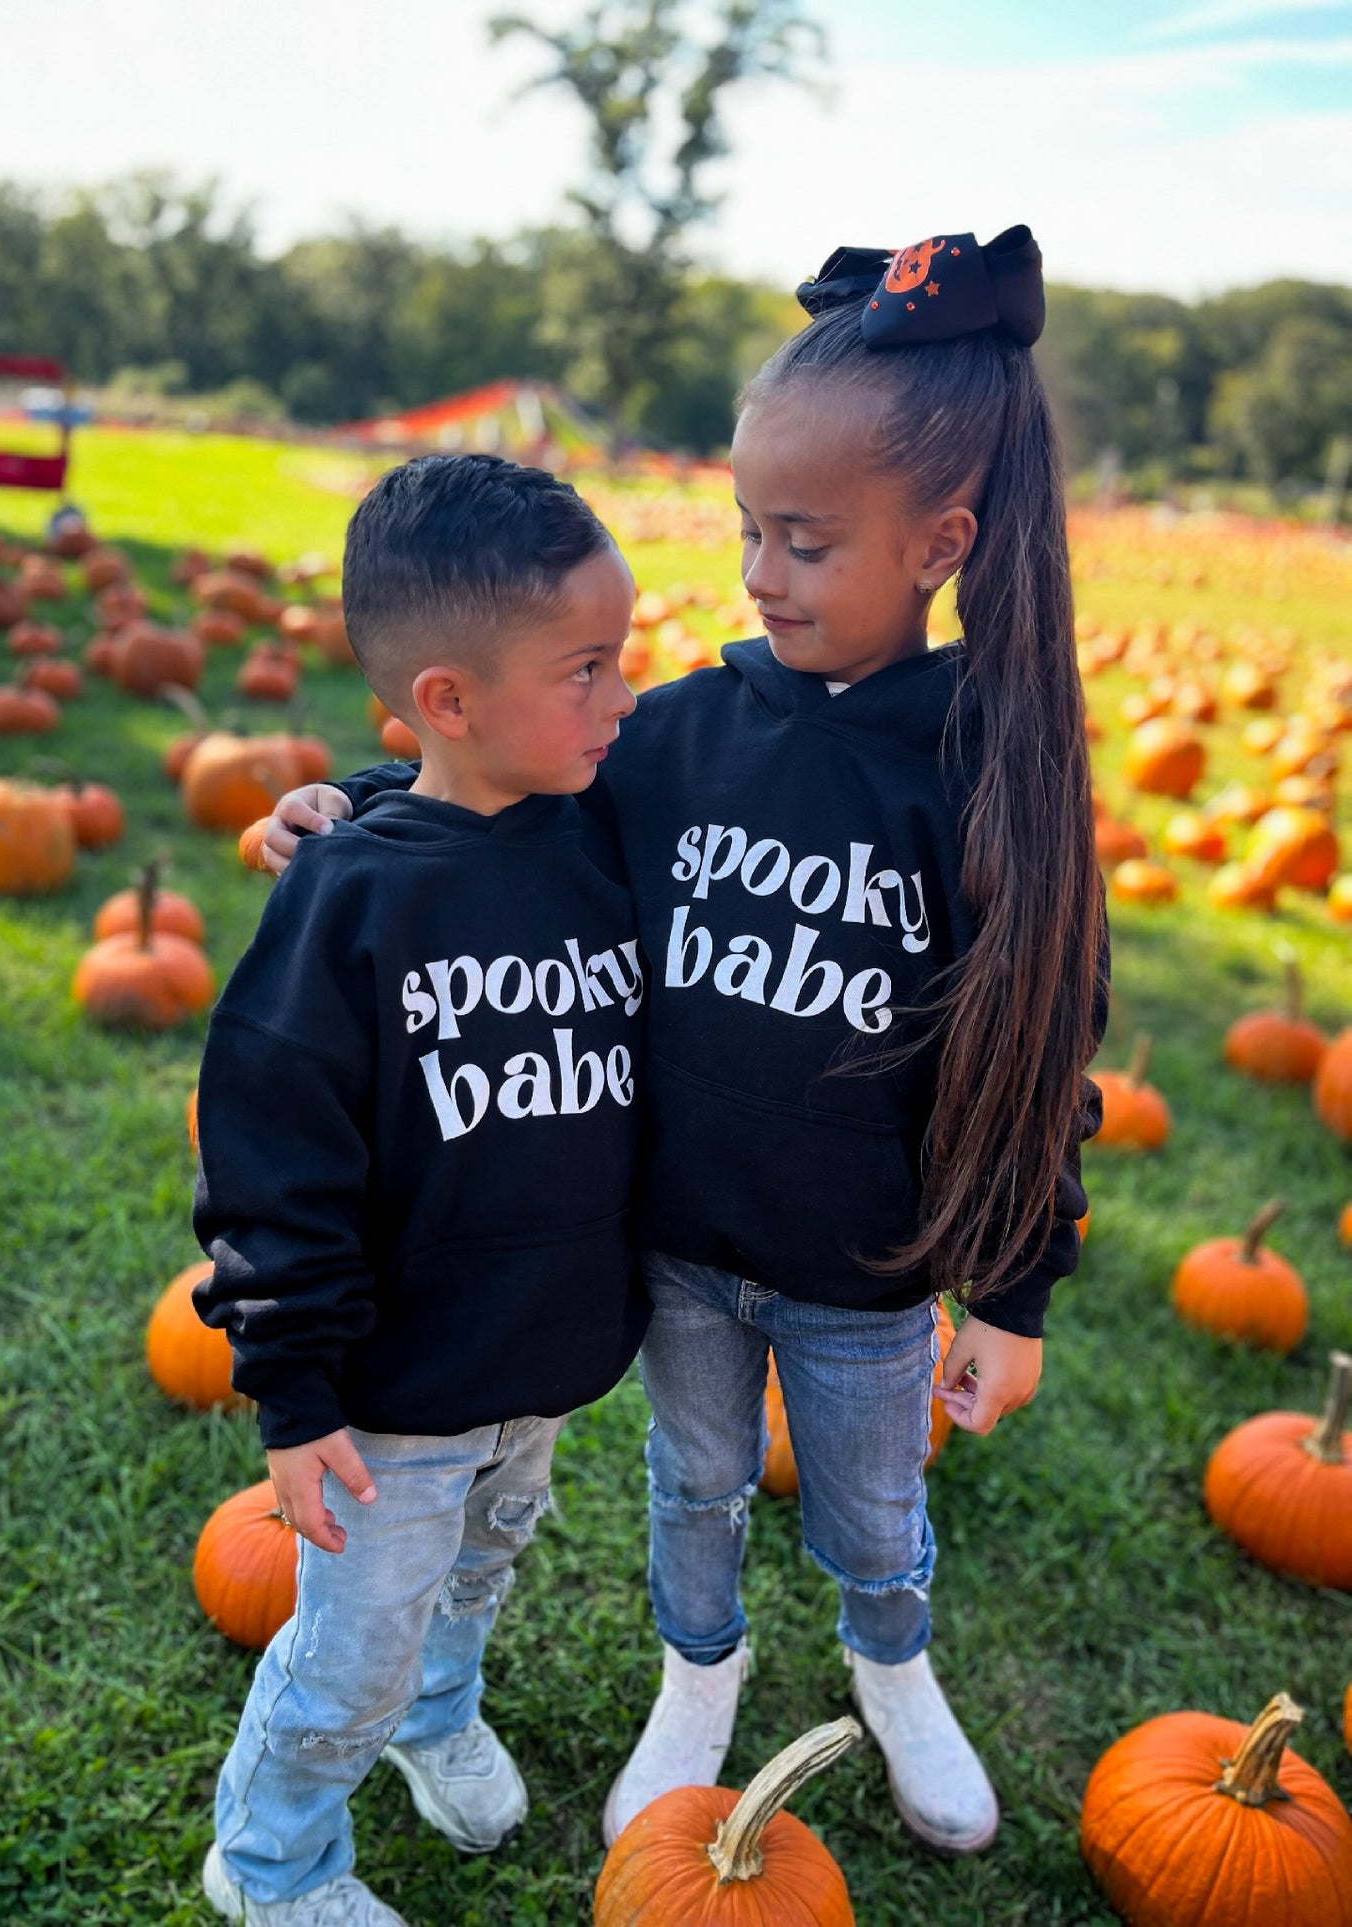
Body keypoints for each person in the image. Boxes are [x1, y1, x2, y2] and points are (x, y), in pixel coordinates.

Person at [261, 225, 1108, 1860]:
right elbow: (513, 789)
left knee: (872, 1512)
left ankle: (891, 1660)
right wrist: (353, 813)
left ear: (939, 542)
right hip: (671, 1249)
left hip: (864, 1272)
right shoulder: (686, 731)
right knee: (693, 1489)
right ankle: (694, 1679)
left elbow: (1037, 1050)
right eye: (746, 532)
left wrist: (1012, 1289)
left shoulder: (982, 773)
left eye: (804, 540)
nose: (758, 575)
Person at [192, 453, 648, 1926]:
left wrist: (369, 781)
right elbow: (275, 1160)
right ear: (450, 698)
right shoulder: (350, 900)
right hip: (392, 1388)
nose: (620, 699)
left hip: (540, 1355)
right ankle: (270, 1864)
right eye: (584, 670)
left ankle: (437, 1719)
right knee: (349, 1648)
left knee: (475, 1579)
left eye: (618, 659)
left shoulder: (596, 834)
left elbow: (459, 803)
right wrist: (297, 1389)